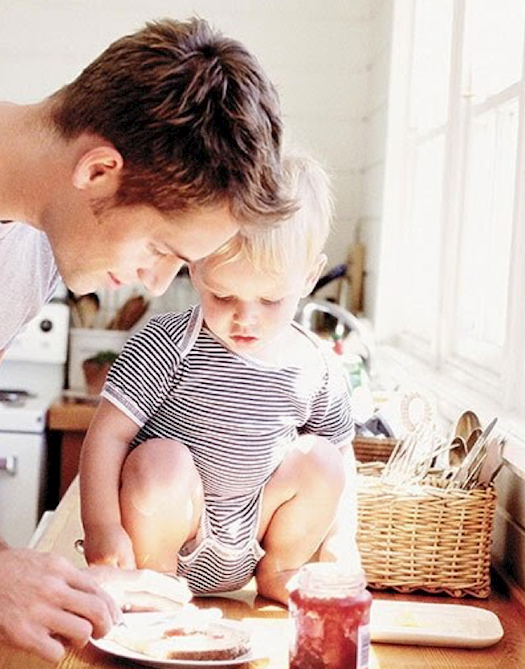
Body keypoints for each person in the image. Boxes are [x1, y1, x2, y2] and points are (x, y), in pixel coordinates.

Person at [0, 17, 293, 669]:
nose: (155, 287)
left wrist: (46, 587)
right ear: (99, 170)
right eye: (162, 247)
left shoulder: (34, 244)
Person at [79, 155, 360, 607]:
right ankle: (157, 580)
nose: (244, 317)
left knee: (324, 459)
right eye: (223, 294)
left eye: (270, 299)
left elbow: (343, 466)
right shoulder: (167, 344)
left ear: (309, 277)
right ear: (195, 267)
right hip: (172, 528)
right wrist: (103, 530)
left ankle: (281, 571)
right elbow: (106, 436)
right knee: (159, 461)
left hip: (254, 530)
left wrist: (340, 543)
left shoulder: (316, 366)